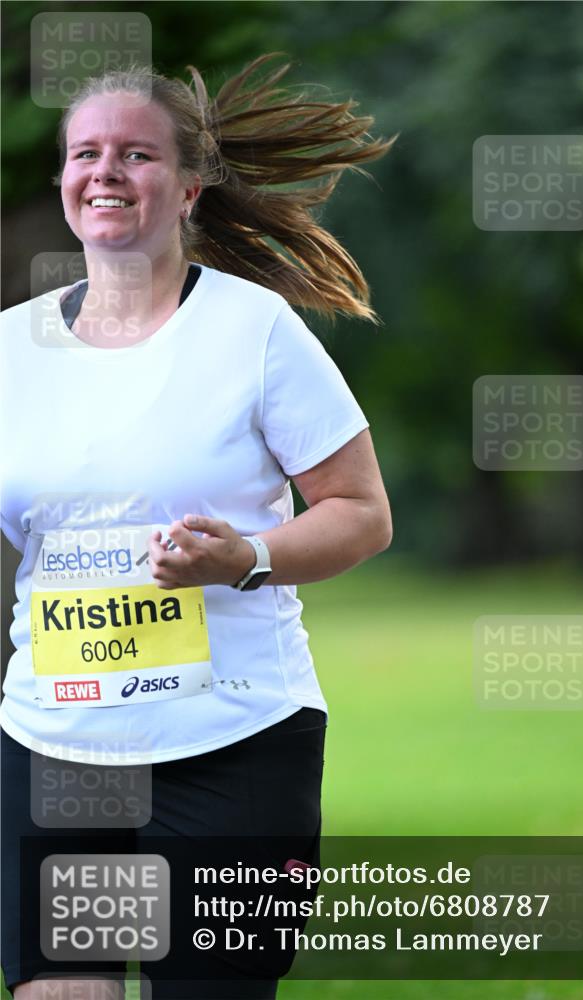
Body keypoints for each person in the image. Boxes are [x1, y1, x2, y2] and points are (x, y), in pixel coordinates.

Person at [0, 54, 395, 1000]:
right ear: (62, 182)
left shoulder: (253, 330)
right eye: (84, 153)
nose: (105, 171)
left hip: (233, 740)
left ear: (186, 187)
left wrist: (247, 558)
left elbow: (362, 513)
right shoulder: (11, 348)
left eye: (135, 154)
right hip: (57, 745)